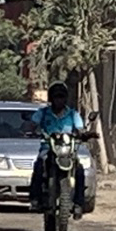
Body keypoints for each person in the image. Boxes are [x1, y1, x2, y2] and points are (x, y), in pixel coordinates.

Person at [25, 82, 87, 219]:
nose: (59, 100)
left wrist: (83, 134)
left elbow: (80, 128)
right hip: (48, 148)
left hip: (68, 150)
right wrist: (31, 129)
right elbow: (32, 125)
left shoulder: (72, 114)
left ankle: (78, 204)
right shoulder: (43, 113)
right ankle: (35, 199)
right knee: (39, 165)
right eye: (56, 97)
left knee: (80, 170)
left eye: (62, 97)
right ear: (51, 99)